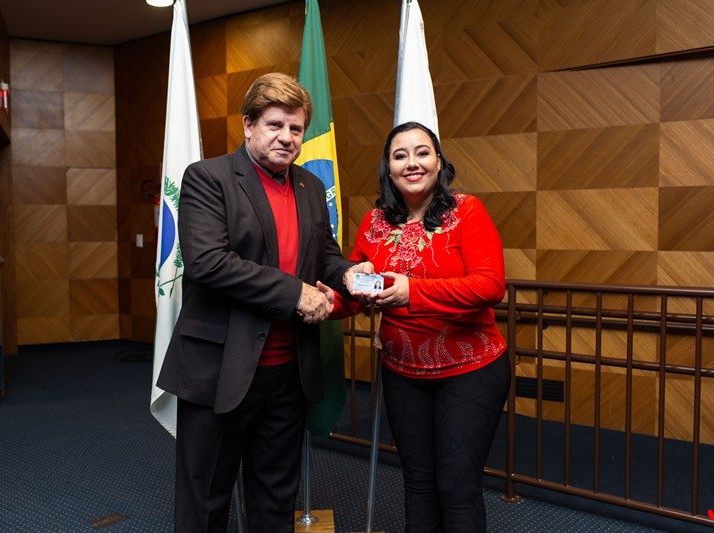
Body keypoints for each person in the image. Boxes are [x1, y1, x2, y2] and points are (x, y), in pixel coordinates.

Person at [156, 72, 364, 533]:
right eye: (275, 125)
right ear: (248, 125)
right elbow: (208, 263)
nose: (287, 137)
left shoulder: (310, 186)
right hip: (220, 370)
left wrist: (348, 274)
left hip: (289, 372)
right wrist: (296, 293)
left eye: (296, 128)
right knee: (205, 501)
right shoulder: (208, 178)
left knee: (275, 498)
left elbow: (324, 254)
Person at [332, 121, 511, 532]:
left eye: (422, 152)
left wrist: (413, 292)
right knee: (418, 484)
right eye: (400, 156)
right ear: (389, 168)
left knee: (457, 487)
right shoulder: (374, 222)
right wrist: (327, 300)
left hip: (470, 371)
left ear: (439, 162)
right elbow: (360, 290)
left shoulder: (467, 211)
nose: (412, 163)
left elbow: (490, 286)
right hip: (402, 373)